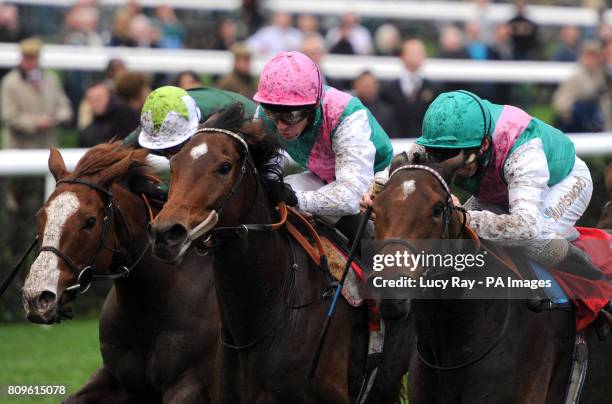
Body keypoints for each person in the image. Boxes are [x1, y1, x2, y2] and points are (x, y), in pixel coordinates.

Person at [363, 90, 603, 282]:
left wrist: (464, 218)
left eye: (456, 157)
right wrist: (374, 191)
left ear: (485, 144)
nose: (448, 164)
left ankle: (597, 282)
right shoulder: (442, 138)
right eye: (440, 155)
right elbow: (404, 166)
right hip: (499, 188)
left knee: (535, 241)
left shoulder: (523, 153)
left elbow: (526, 227)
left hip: (563, 182)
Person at [253, 51, 393, 241]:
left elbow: (351, 196)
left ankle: (374, 262)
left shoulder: (347, 116)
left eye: (291, 116)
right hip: (323, 175)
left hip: (372, 180)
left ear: (313, 107)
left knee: (330, 209)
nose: (281, 126)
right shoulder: (264, 113)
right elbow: (262, 171)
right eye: (273, 113)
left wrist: (296, 199)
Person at [1, 37, 72, 149]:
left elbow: (63, 105)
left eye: (33, 57)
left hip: (47, 146)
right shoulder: (10, 82)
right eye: (27, 57)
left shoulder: (50, 78)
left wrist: (56, 119)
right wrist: (35, 122)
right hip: (19, 147)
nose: (30, 62)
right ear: (22, 57)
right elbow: (9, 116)